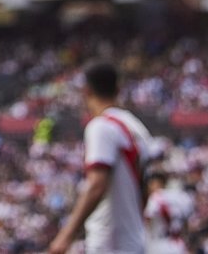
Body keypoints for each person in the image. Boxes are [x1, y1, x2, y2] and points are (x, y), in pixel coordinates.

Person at [48, 62, 154, 254]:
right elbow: (147, 189)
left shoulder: (101, 126)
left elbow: (97, 185)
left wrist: (66, 236)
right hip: (134, 239)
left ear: (86, 91)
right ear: (118, 89)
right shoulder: (136, 127)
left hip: (110, 243)